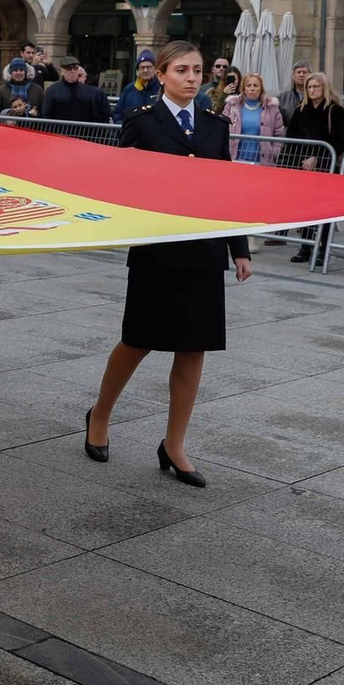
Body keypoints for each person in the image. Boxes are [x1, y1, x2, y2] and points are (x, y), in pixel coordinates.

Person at [83, 41, 251, 489]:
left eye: (197, 69)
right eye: (181, 70)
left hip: (203, 251)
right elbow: (121, 185)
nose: (192, 77)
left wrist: (240, 247)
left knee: (194, 348)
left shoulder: (215, 127)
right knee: (136, 341)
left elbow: (225, 189)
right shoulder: (142, 123)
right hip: (157, 250)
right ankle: (99, 415)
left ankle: (174, 444)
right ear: (161, 75)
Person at [284, 72, 344, 262]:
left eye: (315, 86)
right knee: (304, 209)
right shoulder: (300, 110)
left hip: (325, 167)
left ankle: (322, 248)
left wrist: (317, 157)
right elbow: (291, 138)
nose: (311, 90)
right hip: (302, 166)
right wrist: (299, 161)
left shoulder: (334, 111)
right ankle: (305, 246)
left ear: (324, 88)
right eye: (309, 87)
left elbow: (339, 141)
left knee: (324, 210)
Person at [223, 72, 284, 164]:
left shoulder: (272, 108)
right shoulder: (231, 106)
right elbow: (221, 128)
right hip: (234, 159)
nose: (252, 88)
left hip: (262, 162)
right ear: (243, 89)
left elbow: (279, 133)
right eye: (248, 85)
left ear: (261, 89)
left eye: (255, 85)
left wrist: (274, 152)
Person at [38, 58, 110, 124]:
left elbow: (96, 114)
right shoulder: (52, 91)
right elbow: (46, 115)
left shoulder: (89, 91)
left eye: (75, 68)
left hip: (84, 133)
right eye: (69, 68)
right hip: (60, 133)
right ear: (62, 71)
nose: (72, 71)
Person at [117, 48, 162, 122]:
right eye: (142, 67)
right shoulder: (129, 89)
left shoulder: (162, 89)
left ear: (155, 69)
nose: (145, 70)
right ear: (138, 70)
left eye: (148, 67)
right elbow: (118, 112)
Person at [277, 61, 310, 126]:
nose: (301, 75)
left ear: (310, 75)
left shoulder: (316, 97)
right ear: (293, 76)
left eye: (304, 72)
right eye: (298, 72)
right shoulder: (282, 98)